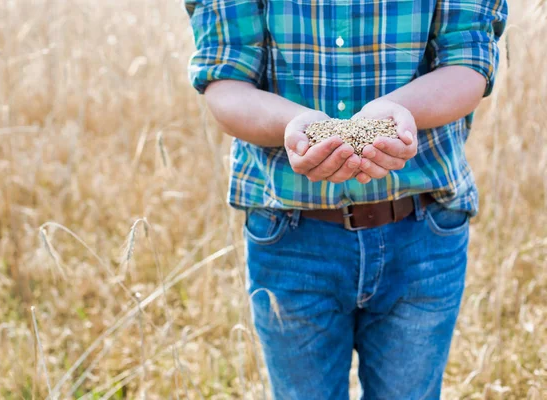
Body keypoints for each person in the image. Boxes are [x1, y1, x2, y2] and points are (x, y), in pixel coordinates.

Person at [184, 0, 507, 398]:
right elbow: (226, 83)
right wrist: (293, 125)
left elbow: (468, 61)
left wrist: (398, 110)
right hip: (291, 236)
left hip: (422, 233)